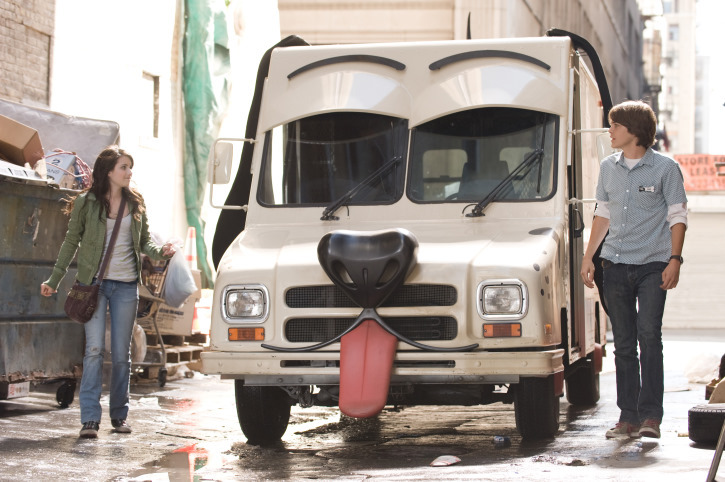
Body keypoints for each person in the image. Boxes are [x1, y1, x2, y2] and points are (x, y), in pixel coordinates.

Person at [41, 146, 175, 439]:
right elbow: (70, 241)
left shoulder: (136, 203)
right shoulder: (87, 203)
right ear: (109, 171)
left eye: (130, 167)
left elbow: (145, 245)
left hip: (126, 287)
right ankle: (89, 419)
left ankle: (119, 415)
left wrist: (161, 252)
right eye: (124, 167)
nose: (129, 173)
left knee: (121, 355)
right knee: (93, 351)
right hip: (95, 286)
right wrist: (55, 278)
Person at [580, 100, 687, 439]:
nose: (609, 131)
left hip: (653, 266)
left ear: (633, 131)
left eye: (614, 126)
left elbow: (678, 216)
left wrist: (675, 260)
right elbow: (602, 213)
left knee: (649, 339)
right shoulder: (608, 167)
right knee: (624, 344)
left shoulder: (666, 169)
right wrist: (588, 257)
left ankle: (651, 417)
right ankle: (628, 416)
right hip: (614, 263)